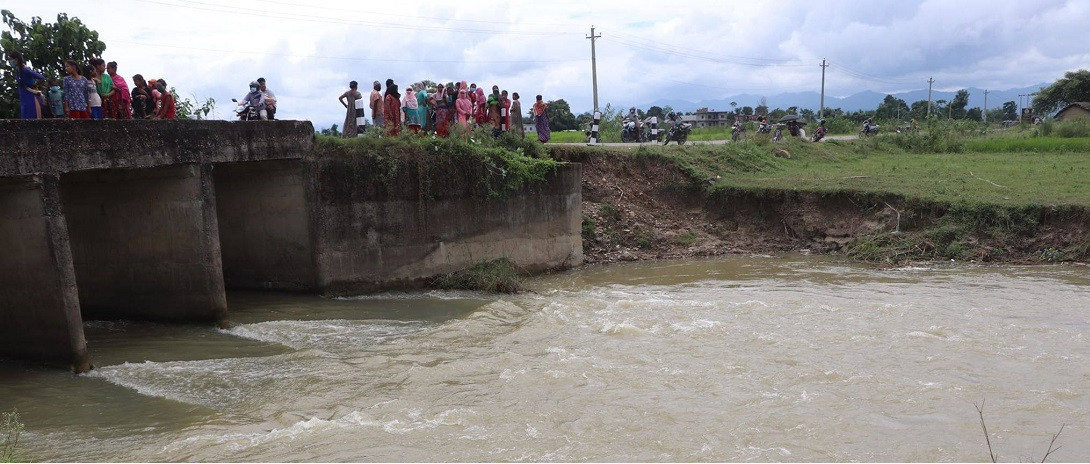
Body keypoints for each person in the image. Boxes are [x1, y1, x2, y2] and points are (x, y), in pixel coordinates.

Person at [8, 51, 47, 119]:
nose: (10, 61)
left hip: (30, 97)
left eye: (11, 59)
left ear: (16, 59)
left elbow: (41, 77)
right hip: (24, 96)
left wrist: (35, 85)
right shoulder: (17, 70)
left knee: (32, 118)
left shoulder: (25, 69)